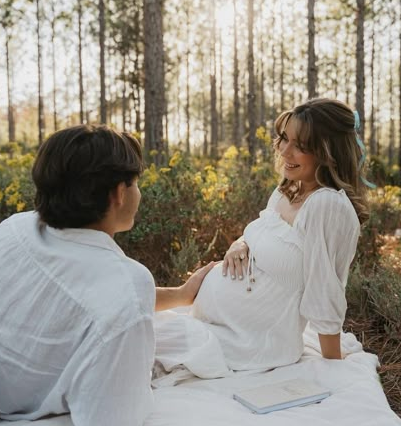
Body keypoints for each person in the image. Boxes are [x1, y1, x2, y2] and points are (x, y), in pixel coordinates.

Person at [0, 124, 215, 426]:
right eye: (135, 183)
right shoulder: (124, 283)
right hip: (8, 402)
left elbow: (77, 295)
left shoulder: (15, 227)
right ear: (117, 194)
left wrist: (180, 294)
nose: (139, 193)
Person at [154, 97, 371, 380]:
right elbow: (264, 233)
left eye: (301, 146)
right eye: (284, 139)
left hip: (251, 342)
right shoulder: (288, 191)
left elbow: (325, 288)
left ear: (328, 152)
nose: (285, 151)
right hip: (216, 320)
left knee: (135, 336)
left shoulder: (326, 205)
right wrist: (240, 243)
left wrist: (332, 365)